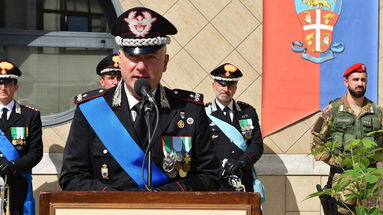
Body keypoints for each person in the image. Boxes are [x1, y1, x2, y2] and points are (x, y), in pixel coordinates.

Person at [59, 7, 220, 192]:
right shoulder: (92, 109)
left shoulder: (189, 110)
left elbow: (210, 175)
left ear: (165, 62)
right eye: (132, 57)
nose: (141, 67)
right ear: (120, 59)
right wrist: (120, 203)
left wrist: (160, 197)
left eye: (151, 57)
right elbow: (72, 177)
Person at [311, 63, 383, 214]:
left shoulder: (376, 112)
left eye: (363, 80)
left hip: (369, 180)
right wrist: (333, 161)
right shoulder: (334, 110)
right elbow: (316, 140)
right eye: (355, 79)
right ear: (346, 82)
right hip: (342, 179)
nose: (359, 83)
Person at [205, 63, 264, 193]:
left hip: (243, 178)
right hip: (216, 180)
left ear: (235, 88)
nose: (225, 89)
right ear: (214, 85)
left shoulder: (248, 112)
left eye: (230, 85)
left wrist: (242, 162)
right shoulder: (203, 113)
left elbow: (257, 144)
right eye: (222, 84)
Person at [0, 60, 43, 215]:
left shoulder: (30, 116)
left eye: (8, 83)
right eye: (0, 83)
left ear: (16, 86)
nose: (3, 87)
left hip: (18, 186)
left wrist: (14, 165)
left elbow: (36, 152)